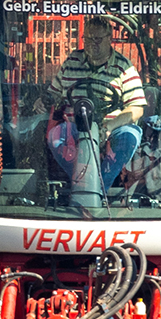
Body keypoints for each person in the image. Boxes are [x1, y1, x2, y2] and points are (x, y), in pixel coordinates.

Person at [45, 16, 146, 192]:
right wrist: (44, 100)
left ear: (110, 38)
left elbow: (136, 108)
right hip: (76, 127)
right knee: (55, 137)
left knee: (130, 136)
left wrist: (109, 126)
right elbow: (54, 93)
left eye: (98, 39)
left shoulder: (124, 67)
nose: (93, 43)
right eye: (89, 38)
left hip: (113, 129)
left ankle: (100, 186)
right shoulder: (72, 62)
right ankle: (81, 182)